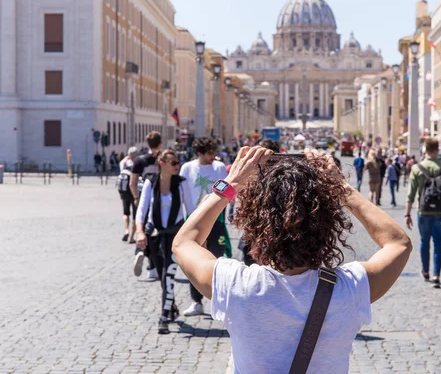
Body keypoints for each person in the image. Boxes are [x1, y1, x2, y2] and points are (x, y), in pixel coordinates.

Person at [172, 147, 412, 372]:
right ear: (327, 224)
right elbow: (398, 243)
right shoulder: (350, 288)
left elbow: (184, 242)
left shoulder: (236, 285)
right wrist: (341, 187)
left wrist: (231, 184)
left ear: (256, 224)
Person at [136, 150, 188, 334]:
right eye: (173, 162)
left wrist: (198, 237)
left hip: (175, 237)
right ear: (162, 163)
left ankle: (164, 317)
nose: (177, 165)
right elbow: (142, 210)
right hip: (155, 236)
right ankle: (171, 305)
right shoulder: (151, 182)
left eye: (178, 162)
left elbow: (190, 211)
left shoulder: (181, 184)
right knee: (162, 277)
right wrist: (140, 232)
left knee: (168, 274)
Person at [179, 137, 230, 317]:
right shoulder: (187, 168)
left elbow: (226, 192)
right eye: (209, 153)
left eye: (214, 152)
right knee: (193, 261)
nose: (213, 156)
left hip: (215, 220)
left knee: (216, 258)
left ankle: (220, 302)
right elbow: (184, 194)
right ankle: (196, 301)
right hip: (194, 220)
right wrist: (189, 218)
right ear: (199, 153)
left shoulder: (219, 167)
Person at [405, 138, 441, 288]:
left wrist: (407, 214)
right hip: (440, 211)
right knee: (438, 242)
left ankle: (425, 271)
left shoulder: (417, 168)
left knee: (424, 241)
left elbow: (411, 194)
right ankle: (437, 275)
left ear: (424, 149)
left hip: (423, 211)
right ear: (437, 150)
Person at [131, 131, 162, 280]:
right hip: (159, 199)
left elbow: (132, 182)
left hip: (144, 195)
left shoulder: (139, 160)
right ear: (160, 143)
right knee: (154, 232)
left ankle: (140, 251)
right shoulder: (163, 159)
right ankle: (152, 266)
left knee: (142, 227)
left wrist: (136, 197)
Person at [117, 146, 139, 243]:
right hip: (133, 189)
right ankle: (131, 237)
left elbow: (122, 161)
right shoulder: (137, 164)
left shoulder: (124, 163)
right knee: (135, 214)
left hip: (124, 190)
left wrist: (128, 157)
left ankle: (126, 230)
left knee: (125, 212)